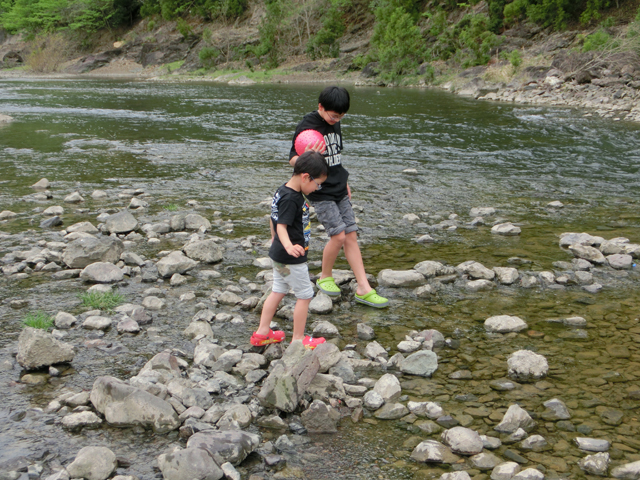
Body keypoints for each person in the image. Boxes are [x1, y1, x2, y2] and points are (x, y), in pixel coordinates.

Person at [289, 86, 388, 308]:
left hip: (339, 187)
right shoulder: (307, 126)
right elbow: (292, 160)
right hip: (321, 190)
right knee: (339, 236)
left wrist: (345, 181)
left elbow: (336, 158)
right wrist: (305, 157)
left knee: (351, 234)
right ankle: (325, 276)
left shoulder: (336, 120)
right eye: (334, 116)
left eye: (341, 116)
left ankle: (364, 288)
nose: (337, 120)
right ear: (320, 107)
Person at [250, 151, 329, 349]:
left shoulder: (282, 191)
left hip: (279, 258)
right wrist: (287, 245)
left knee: (278, 290)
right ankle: (298, 339)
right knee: (305, 295)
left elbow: (272, 219)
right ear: (305, 177)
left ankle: (262, 333)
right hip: (291, 258)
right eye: (317, 184)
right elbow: (281, 226)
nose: (316, 188)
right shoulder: (292, 199)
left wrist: (274, 240)